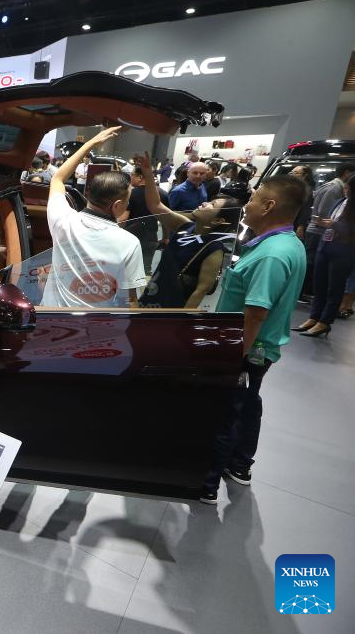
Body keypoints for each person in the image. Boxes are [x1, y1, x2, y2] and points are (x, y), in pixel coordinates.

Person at [201, 175, 307, 503]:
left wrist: (234, 357)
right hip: (257, 348)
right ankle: (239, 464)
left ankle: (206, 484)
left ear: (269, 205)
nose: (247, 204)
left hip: (246, 348)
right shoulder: (286, 244)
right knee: (246, 404)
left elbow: (256, 314)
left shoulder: (271, 255)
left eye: (254, 198)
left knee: (223, 411)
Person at [40, 126, 147, 308]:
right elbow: (129, 300)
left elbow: (58, 178)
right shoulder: (129, 242)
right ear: (116, 206)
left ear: (89, 194)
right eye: (127, 200)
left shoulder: (63, 220)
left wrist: (91, 143)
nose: (129, 204)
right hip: (95, 329)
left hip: (50, 320)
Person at [138, 155, 242, 308]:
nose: (205, 203)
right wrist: (148, 175)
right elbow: (156, 206)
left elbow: (201, 290)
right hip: (154, 294)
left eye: (212, 205)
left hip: (174, 307)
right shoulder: (186, 226)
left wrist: (182, 323)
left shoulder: (214, 248)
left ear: (218, 221)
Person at [293, 177, 355, 337]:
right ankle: (314, 318)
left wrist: (332, 224)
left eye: (349, 187)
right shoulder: (342, 201)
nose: (345, 189)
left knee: (334, 288)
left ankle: (325, 321)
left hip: (344, 250)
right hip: (325, 245)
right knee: (319, 285)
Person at [123, 161, 170, 275]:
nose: (131, 178)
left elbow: (124, 219)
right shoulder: (163, 193)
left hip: (130, 238)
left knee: (126, 270)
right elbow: (166, 219)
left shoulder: (131, 194)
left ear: (140, 177)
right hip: (150, 238)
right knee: (145, 270)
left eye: (132, 175)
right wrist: (166, 237)